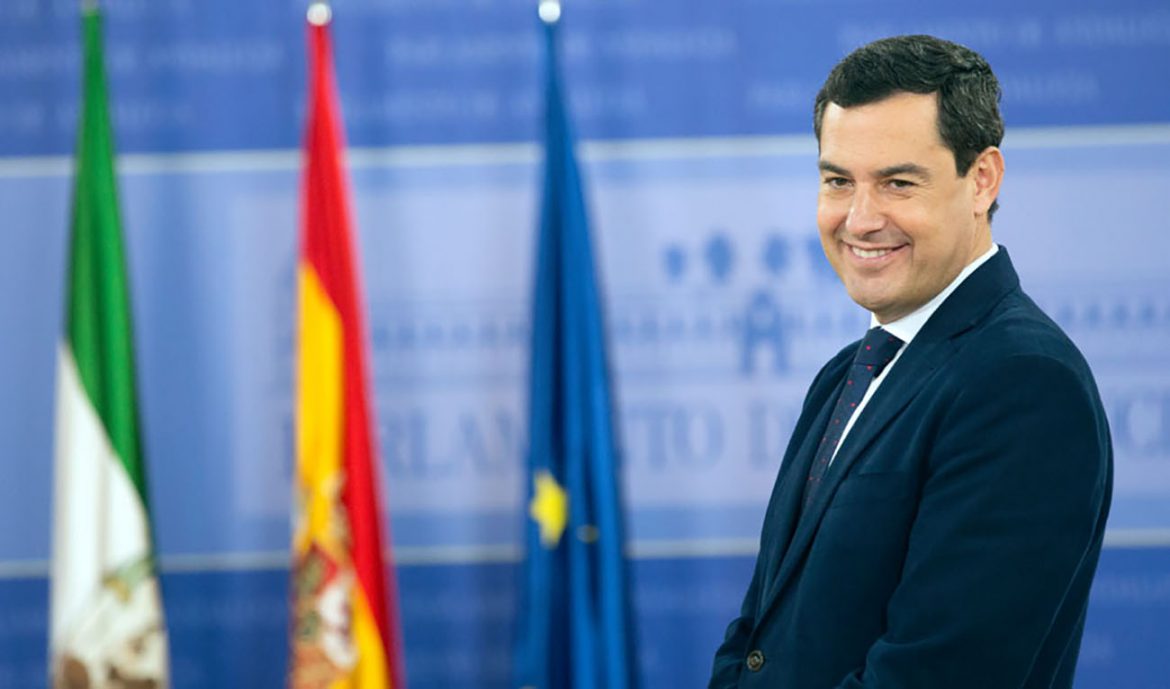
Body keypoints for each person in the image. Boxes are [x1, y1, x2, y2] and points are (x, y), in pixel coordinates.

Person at [709, 34, 1113, 689]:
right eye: (838, 181)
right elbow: (757, 638)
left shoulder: (1025, 382)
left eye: (898, 183)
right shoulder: (845, 374)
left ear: (982, 180)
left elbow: (935, 673)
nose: (860, 219)